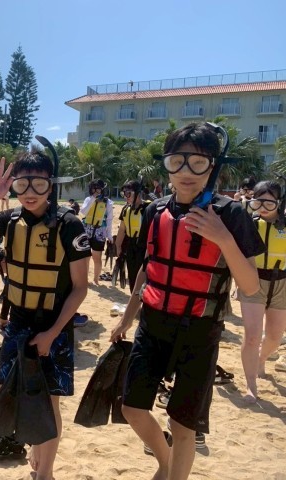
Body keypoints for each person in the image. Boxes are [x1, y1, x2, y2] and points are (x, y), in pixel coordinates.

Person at [110, 123, 264, 480]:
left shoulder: (231, 214)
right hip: (153, 323)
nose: (186, 171)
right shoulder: (155, 210)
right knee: (132, 408)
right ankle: (165, 462)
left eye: (197, 162)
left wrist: (223, 238)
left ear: (213, 166)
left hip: (200, 329)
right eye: (177, 161)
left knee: (183, 425)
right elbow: (149, 269)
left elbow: (250, 285)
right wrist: (126, 318)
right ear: (166, 164)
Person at [0, 152, 90, 480]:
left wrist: (52, 333)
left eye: (38, 183)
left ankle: (45, 473)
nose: (30, 191)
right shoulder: (8, 219)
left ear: (51, 184)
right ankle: (35, 449)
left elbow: (80, 288)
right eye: (22, 184)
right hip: (19, 322)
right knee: (20, 393)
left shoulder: (69, 224)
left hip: (53, 324)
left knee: (50, 402)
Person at [238, 180, 286, 403]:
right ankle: (251, 385)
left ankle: (261, 359)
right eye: (258, 201)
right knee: (252, 336)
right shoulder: (247, 223)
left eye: (269, 202)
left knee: (275, 336)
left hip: (281, 282)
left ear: (279, 202)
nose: (263, 207)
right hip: (253, 281)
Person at [115, 179, 150, 292]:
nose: (125, 197)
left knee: (143, 277)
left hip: (144, 247)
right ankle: (133, 297)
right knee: (132, 276)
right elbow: (122, 229)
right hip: (131, 246)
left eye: (128, 194)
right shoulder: (126, 209)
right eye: (124, 194)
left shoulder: (148, 209)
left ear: (137, 193)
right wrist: (118, 246)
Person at [80, 179, 113, 284]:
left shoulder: (108, 203)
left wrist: (109, 235)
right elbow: (83, 212)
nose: (95, 191)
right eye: (93, 189)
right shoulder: (88, 199)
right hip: (86, 229)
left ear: (102, 189)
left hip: (100, 231)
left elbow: (109, 219)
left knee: (96, 257)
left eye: (98, 189)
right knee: (85, 256)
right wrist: (92, 199)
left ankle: (96, 279)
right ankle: (84, 278)